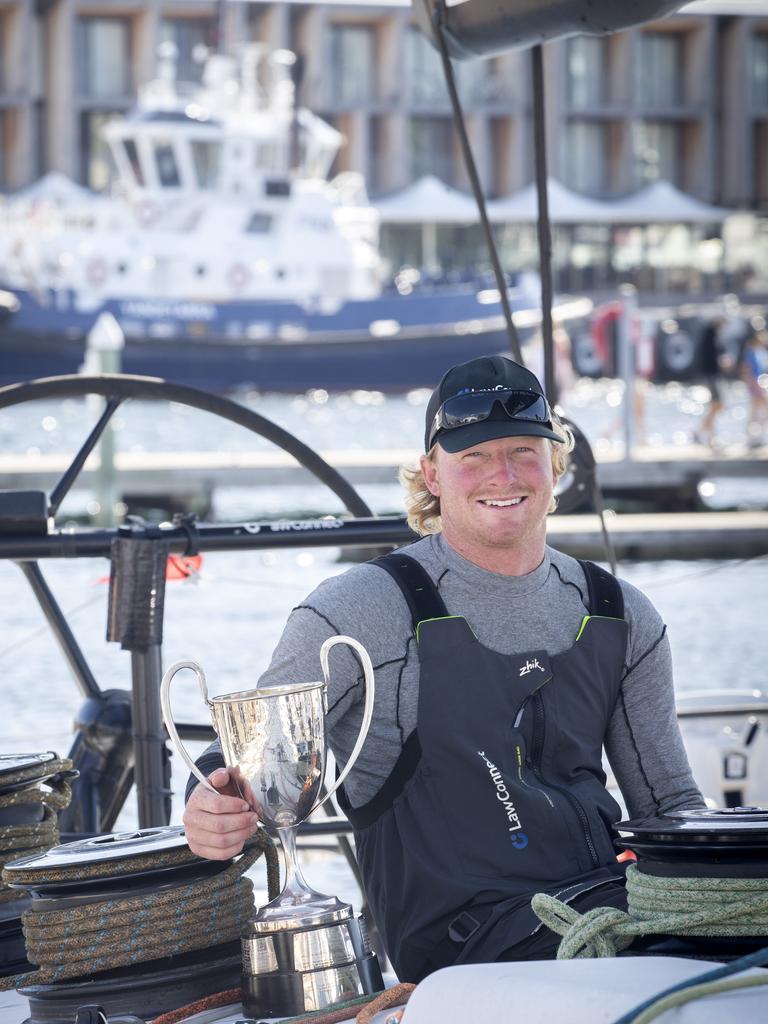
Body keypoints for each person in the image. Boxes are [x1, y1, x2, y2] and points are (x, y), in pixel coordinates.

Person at [183, 355, 703, 983]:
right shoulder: (359, 610)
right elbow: (250, 754)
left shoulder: (620, 612)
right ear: (431, 474)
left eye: (523, 451)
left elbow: (670, 807)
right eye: (473, 456)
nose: (502, 474)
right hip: (462, 952)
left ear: (555, 467)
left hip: (610, 912)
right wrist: (209, 804)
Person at [695, 315, 726, 446]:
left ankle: (709, 435)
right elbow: (709, 357)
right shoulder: (710, 333)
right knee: (718, 404)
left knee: (715, 405)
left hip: (711, 375)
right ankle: (701, 432)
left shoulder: (711, 333)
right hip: (711, 375)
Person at [739, 325, 768, 448]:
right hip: (755, 382)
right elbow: (747, 369)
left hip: (760, 382)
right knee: (763, 409)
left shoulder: (761, 350)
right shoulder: (751, 351)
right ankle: (754, 436)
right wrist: (751, 383)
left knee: (755, 411)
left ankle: (753, 436)